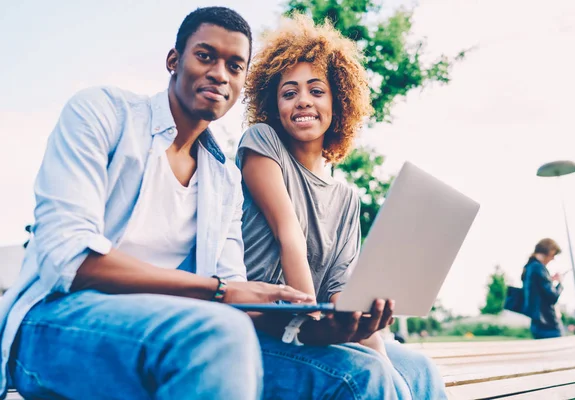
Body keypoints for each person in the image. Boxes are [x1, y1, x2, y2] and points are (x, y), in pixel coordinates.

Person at [0, 7, 411, 400]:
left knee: (367, 376)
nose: (219, 73)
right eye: (205, 56)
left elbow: (243, 305)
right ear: (173, 60)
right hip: (53, 321)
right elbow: (68, 259)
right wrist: (221, 291)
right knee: (218, 332)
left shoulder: (223, 179)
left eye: (234, 65)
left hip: (176, 326)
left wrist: (329, 328)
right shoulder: (102, 112)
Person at [237, 14, 447, 399]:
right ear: (274, 104)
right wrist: (315, 324)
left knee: (417, 369)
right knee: (364, 374)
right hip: (260, 329)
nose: (303, 100)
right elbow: (290, 235)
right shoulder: (262, 142)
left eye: (317, 90)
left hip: (316, 331)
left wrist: (364, 325)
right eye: (289, 92)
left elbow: (338, 288)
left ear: (339, 100)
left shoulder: (348, 197)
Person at [522, 238, 564, 339]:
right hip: (547, 323)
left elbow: (537, 291)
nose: (553, 259)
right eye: (553, 255)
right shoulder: (538, 268)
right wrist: (560, 283)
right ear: (548, 251)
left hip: (537, 323)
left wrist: (549, 280)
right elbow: (552, 297)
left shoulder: (528, 267)